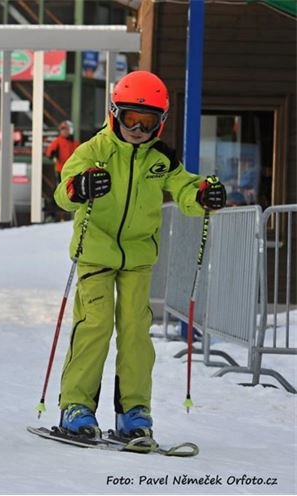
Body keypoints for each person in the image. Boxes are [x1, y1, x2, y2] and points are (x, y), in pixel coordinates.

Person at [53, 71, 226, 440]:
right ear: (115, 114)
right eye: (130, 118)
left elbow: (184, 187)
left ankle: (134, 411)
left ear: (159, 124)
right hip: (96, 253)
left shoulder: (160, 158)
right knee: (95, 325)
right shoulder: (95, 150)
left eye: (146, 122)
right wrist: (80, 186)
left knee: (135, 332)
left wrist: (201, 195)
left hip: (137, 258)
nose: (137, 129)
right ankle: (76, 405)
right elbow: (63, 192)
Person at [44, 120, 80, 221]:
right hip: (61, 169)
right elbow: (49, 151)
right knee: (61, 187)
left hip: (73, 170)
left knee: (71, 187)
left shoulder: (74, 142)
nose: (63, 132)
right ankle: (54, 208)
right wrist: (52, 153)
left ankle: (66, 207)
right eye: (62, 130)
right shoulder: (58, 141)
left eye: (65, 129)